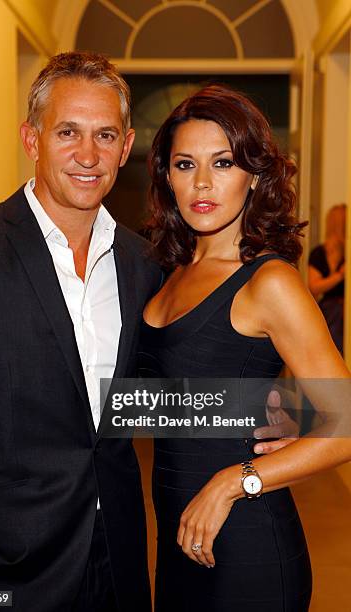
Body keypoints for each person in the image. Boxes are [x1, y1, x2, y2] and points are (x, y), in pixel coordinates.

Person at [0, 52, 162, 612]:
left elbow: (150, 404)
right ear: (32, 139)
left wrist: (301, 414)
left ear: (126, 144)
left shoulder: (145, 265)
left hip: (119, 565)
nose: (88, 156)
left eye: (105, 135)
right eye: (68, 132)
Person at [140, 85, 351, 611]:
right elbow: (177, 398)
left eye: (224, 162)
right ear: (167, 176)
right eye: (185, 164)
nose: (203, 182)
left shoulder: (269, 281)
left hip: (246, 544)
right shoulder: (166, 272)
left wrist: (235, 482)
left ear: (254, 175)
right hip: (175, 536)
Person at [308, 204, 346, 354]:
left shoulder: (348, 253)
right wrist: (340, 275)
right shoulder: (319, 253)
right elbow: (314, 287)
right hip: (332, 310)